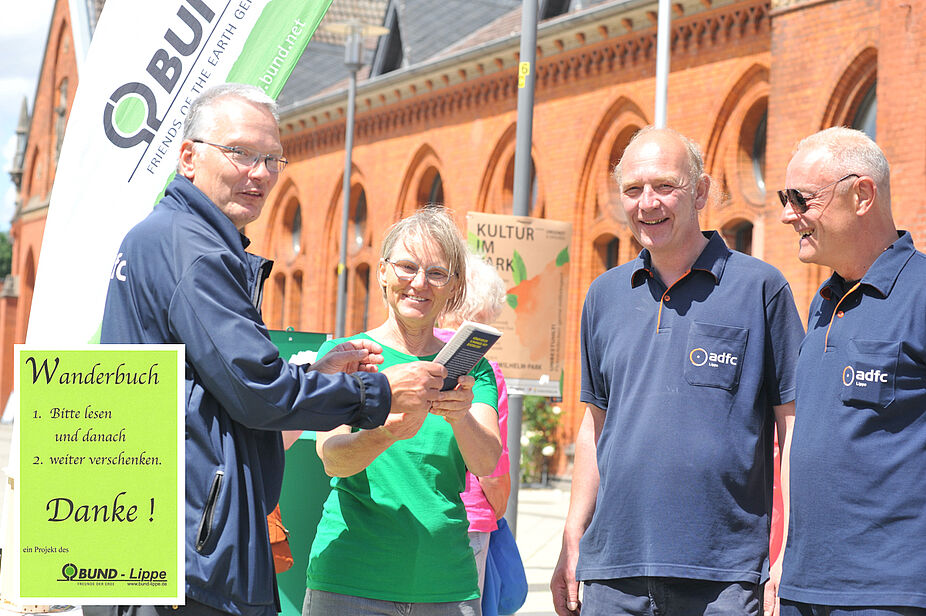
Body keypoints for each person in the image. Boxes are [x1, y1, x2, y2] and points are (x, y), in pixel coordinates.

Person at [99, 83, 447, 616]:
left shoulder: (175, 237)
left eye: (271, 159)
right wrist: (377, 390)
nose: (259, 173)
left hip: (164, 535)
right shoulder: (193, 250)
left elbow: (214, 378)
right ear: (189, 157)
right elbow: (256, 391)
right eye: (239, 153)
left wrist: (316, 370)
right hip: (190, 550)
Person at [550, 126, 804, 616]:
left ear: (703, 191)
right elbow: (595, 423)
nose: (648, 203)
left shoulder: (761, 289)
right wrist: (572, 534)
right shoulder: (603, 295)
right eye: (632, 189)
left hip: (723, 577)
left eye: (666, 186)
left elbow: (792, 426)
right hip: (612, 574)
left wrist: (788, 549)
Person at [303, 207, 502, 616]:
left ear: (454, 286)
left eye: (436, 272)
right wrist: (386, 431)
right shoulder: (347, 356)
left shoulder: (470, 368)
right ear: (382, 272)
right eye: (407, 267)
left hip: (445, 583)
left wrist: (460, 414)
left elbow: (486, 461)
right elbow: (333, 460)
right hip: (350, 579)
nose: (418, 283)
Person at [776, 127, 926, 615]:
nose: (787, 214)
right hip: (803, 586)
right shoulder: (823, 303)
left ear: (862, 195)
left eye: (802, 199)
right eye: (784, 197)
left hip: (887, 595)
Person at [435, 252, 511, 601]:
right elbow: (493, 471)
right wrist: (494, 509)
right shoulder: (484, 372)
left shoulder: (408, 354)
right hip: (467, 518)